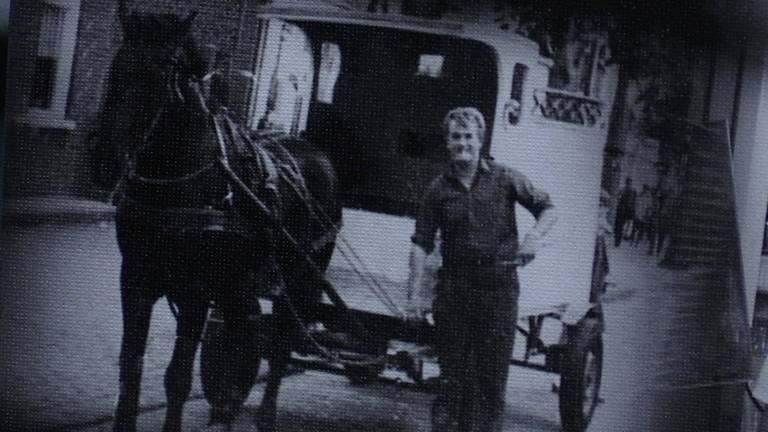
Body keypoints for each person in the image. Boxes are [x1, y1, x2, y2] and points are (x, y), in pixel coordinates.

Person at [405, 107, 557, 432]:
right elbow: (421, 243)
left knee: (490, 385)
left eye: (468, 137)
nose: (463, 144)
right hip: (454, 293)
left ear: (480, 140)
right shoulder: (437, 190)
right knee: (451, 383)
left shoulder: (505, 178)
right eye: (455, 137)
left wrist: (533, 237)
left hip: (498, 294)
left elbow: (548, 208)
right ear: (447, 143)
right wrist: (414, 297)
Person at [614, 177, 637, 247]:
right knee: (619, 226)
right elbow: (618, 198)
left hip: (625, 211)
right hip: (622, 211)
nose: (628, 184)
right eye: (628, 182)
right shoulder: (624, 190)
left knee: (621, 227)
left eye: (629, 182)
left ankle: (618, 241)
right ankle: (618, 240)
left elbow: (633, 202)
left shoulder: (631, 191)